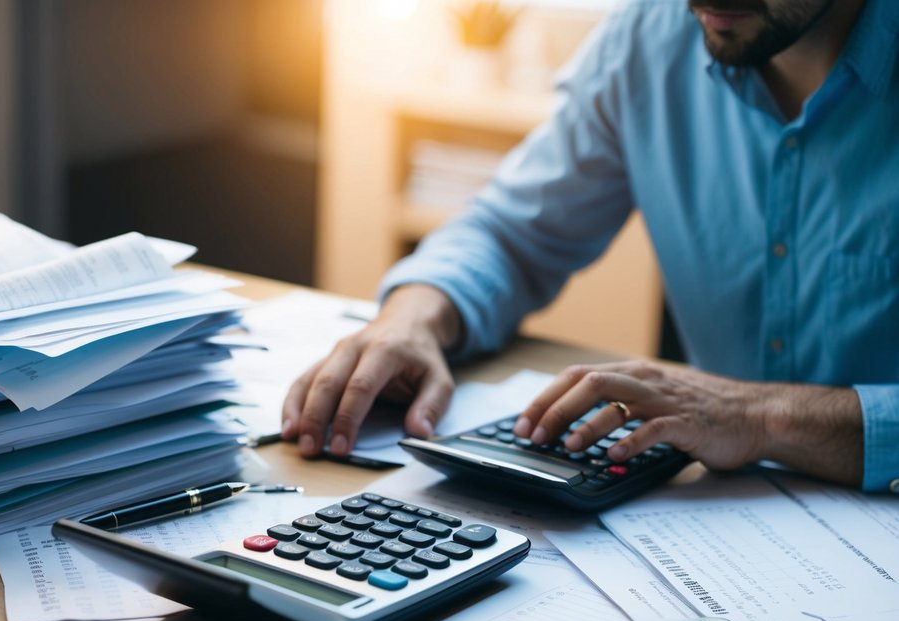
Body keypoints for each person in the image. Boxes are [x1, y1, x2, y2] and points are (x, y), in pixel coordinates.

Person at [282, 0, 898, 493]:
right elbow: (511, 233)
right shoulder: (649, 36)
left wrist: (763, 417)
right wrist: (411, 319)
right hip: (721, 518)